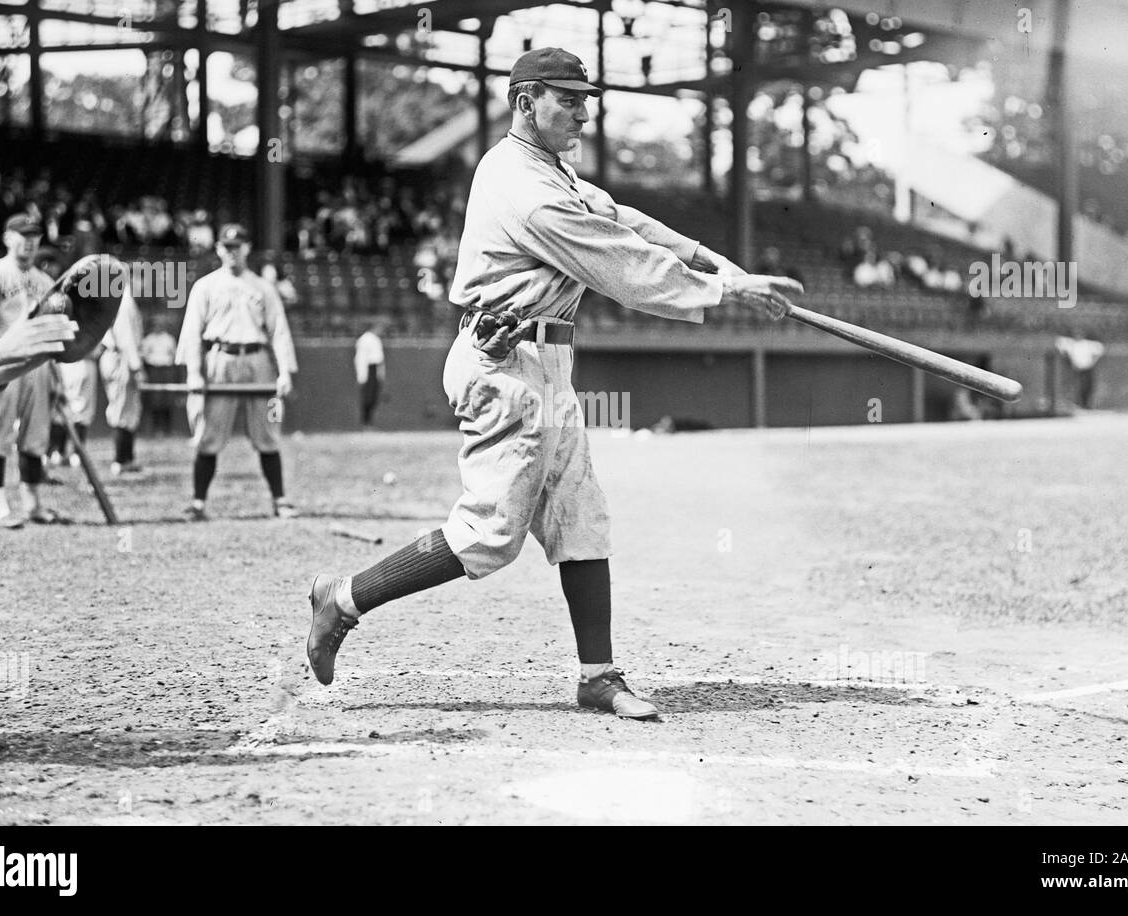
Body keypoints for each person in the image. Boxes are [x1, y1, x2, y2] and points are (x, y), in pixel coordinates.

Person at [304, 48, 803, 719]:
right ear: (525, 101)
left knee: (582, 519)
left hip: (547, 367)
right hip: (503, 367)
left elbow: (627, 221)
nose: (583, 112)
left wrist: (724, 266)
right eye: (568, 99)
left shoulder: (555, 172)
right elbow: (622, 266)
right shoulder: (522, 185)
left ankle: (598, 675)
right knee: (488, 534)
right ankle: (342, 598)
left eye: (584, 98)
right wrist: (723, 292)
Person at [176, 223, 299, 520]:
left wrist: (284, 373)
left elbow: (279, 332)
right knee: (209, 434)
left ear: (247, 248)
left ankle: (280, 500)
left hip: (257, 361)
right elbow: (192, 332)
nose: (232, 252)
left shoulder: (262, 287)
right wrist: (194, 372)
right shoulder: (205, 286)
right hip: (219, 360)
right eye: (227, 247)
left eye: (238, 246)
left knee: (267, 433)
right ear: (218, 249)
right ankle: (198, 503)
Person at [0, 214, 66, 527]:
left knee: (36, 434)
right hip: (0, 357)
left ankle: (33, 505)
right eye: (23, 235)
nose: (30, 242)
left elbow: (52, 330)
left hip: (37, 361)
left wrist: (55, 375)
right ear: (8, 238)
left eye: (35, 236)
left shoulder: (46, 282)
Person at [99, 288, 147, 475]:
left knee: (129, 410)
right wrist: (137, 367)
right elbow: (127, 340)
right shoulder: (124, 302)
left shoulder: (118, 299)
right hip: (121, 357)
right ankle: (120, 459)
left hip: (117, 356)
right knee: (121, 410)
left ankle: (127, 458)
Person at [139, 317, 178, 434]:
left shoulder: (169, 339)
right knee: (155, 400)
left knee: (167, 400)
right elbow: (144, 355)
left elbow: (174, 355)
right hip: (154, 370)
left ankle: (167, 429)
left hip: (166, 370)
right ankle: (155, 429)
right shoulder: (148, 340)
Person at [354, 321, 386, 429]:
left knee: (373, 397)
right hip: (369, 369)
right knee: (367, 397)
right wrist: (362, 375)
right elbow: (361, 358)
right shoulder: (365, 340)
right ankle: (365, 423)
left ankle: (369, 422)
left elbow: (379, 360)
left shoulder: (375, 339)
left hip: (374, 369)